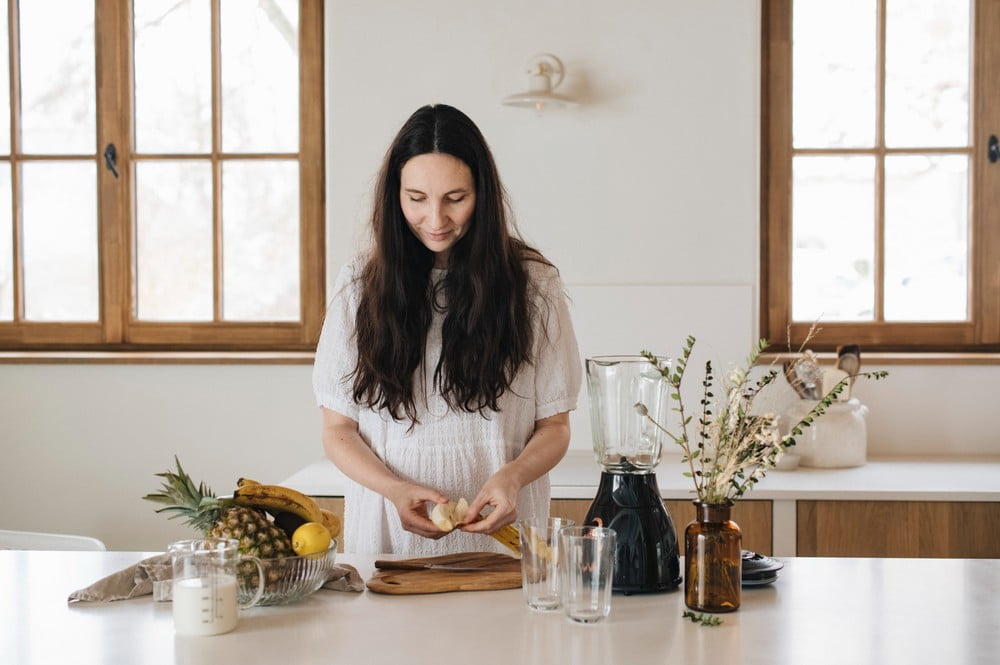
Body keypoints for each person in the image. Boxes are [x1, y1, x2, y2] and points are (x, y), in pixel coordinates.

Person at [312, 104, 582, 556]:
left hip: (501, 548)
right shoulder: (360, 284)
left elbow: (554, 425)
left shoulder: (533, 284)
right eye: (416, 198)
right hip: (389, 545)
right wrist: (394, 489)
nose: (435, 220)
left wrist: (512, 477)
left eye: (455, 199)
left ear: (483, 194)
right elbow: (338, 428)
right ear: (394, 196)